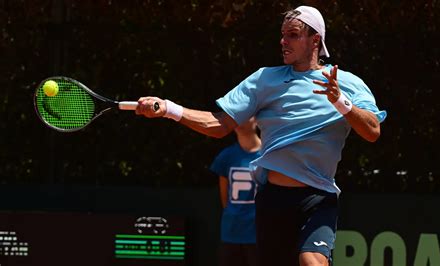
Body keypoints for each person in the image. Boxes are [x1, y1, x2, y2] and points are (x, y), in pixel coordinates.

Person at [135, 5, 387, 266]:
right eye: (282, 34)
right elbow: (219, 124)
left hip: (318, 197)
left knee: (313, 261)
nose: (283, 41)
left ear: (315, 40)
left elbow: (372, 132)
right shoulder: (265, 80)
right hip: (273, 200)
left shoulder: (346, 83)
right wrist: (169, 109)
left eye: (292, 34)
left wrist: (341, 102)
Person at [209, 117, 261, 266]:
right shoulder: (226, 156)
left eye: (246, 115)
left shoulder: (269, 155)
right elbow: (224, 198)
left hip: (259, 234)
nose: (240, 120)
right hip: (231, 233)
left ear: (257, 120)